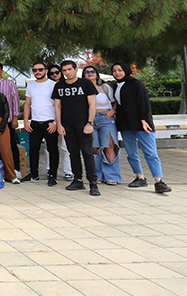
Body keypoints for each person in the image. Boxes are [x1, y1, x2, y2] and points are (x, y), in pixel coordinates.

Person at [112, 62, 171, 193]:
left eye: (120, 70)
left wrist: (144, 120)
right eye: (114, 71)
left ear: (126, 71)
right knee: (131, 153)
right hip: (125, 124)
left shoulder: (136, 84)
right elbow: (118, 103)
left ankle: (159, 182)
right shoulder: (115, 85)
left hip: (141, 123)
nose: (117, 73)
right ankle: (140, 178)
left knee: (150, 152)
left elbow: (144, 102)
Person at [53, 60, 100, 196]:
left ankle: (93, 183)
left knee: (87, 153)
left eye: (69, 69)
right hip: (67, 125)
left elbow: (92, 104)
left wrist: (89, 123)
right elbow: (57, 106)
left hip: (83, 124)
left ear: (75, 69)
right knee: (73, 153)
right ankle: (77, 180)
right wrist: (59, 124)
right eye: (64, 70)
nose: (67, 72)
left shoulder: (85, 83)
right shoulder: (59, 86)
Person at [83, 65, 121, 186]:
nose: (90, 74)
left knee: (109, 146)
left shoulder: (105, 87)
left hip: (105, 119)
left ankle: (112, 176)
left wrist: (113, 111)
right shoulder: (81, 88)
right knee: (94, 148)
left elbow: (116, 102)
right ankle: (96, 175)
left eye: (92, 71)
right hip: (89, 120)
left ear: (97, 74)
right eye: (87, 72)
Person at [0, 61, 21, 174]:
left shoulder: (9, 84)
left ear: (2, 70)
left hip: (7, 120)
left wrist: (15, 117)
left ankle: (16, 169)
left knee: (11, 145)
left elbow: (15, 100)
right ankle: (0, 169)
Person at [46, 65, 73, 180]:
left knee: (64, 146)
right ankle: (49, 169)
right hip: (49, 119)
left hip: (63, 119)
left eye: (57, 72)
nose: (55, 75)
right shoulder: (46, 86)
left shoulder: (65, 86)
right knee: (49, 146)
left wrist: (58, 122)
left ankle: (68, 171)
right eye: (52, 73)